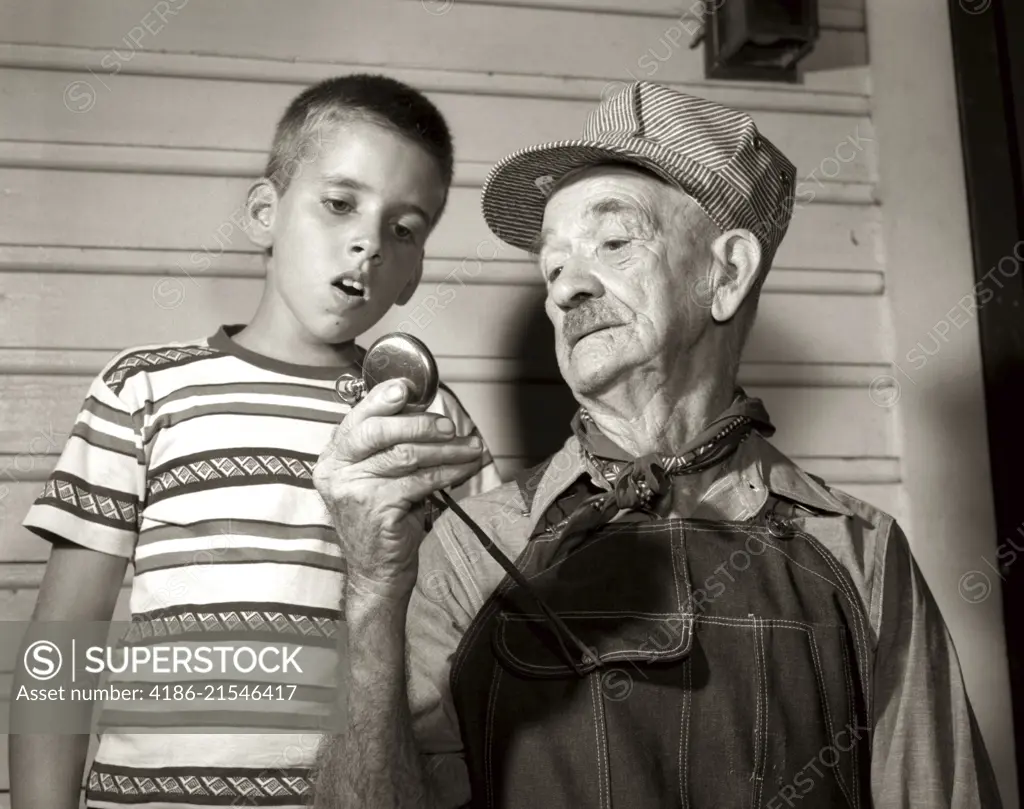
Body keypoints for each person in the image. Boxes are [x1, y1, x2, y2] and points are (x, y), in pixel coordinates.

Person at [309, 81, 1004, 808]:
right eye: (551, 265)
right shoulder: (467, 548)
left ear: (727, 272)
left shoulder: (860, 555)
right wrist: (371, 590)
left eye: (613, 243)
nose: (566, 288)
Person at [11, 74, 502, 809]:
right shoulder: (143, 389)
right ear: (265, 212)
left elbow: (469, 642)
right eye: (340, 204)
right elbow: (63, 640)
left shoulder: (425, 420)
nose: (369, 241)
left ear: (414, 273)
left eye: (405, 230)